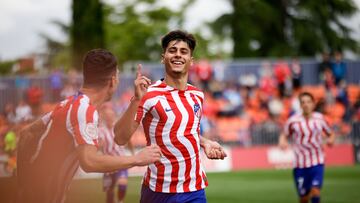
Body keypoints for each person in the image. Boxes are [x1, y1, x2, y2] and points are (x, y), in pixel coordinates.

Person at [15, 49, 162, 203]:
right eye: (117, 76)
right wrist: (137, 158)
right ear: (112, 81)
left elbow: (26, 134)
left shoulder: (68, 103)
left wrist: (22, 184)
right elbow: (89, 161)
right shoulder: (85, 110)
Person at [114, 30, 227, 203]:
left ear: (191, 60)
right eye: (172, 50)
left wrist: (206, 142)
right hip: (158, 191)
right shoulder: (148, 94)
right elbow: (120, 138)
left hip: (195, 190)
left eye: (184, 51)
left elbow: (184, 130)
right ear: (163, 57)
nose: (178, 55)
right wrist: (136, 100)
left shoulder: (197, 95)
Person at [278, 92, 335, 203]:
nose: (306, 104)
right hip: (300, 165)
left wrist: (331, 140)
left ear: (313, 104)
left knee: (315, 191)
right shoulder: (293, 121)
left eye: (308, 102)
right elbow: (284, 134)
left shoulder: (320, 119)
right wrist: (282, 142)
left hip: (317, 162)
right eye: (303, 102)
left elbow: (330, 133)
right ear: (300, 105)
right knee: (303, 198)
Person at [98, 104, 134, 203]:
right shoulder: (100, 131)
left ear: (113, 116)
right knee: (109, 192)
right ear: (105, 117)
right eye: (107, 116)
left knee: (122, 184)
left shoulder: (118, 127)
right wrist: (99, 146)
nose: (110, 117)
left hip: (120, 161)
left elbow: (128, 138)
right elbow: (97, 146)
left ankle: (120, 201)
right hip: (108, 164)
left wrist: (132, 151)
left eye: (111, 115)